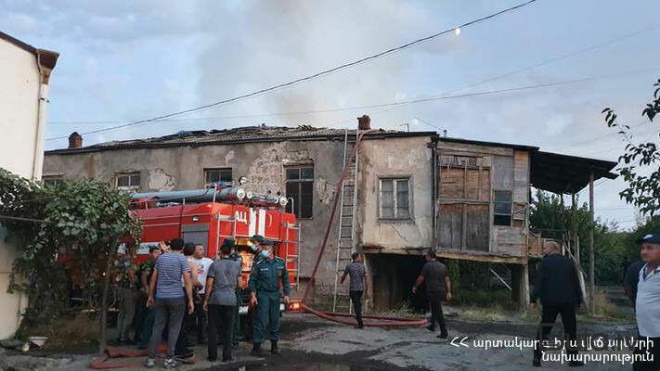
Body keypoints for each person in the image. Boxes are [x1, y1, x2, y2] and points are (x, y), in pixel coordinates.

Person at [530, 241, 583, 368]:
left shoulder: (544, 263)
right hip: (568, 301)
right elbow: (576, 282)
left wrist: (533, 300)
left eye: (545, 248)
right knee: (570, 330)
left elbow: (539, 283)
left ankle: (537, 358)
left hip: (550, 301)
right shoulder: (569, 262)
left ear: (552, 248)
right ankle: (573, 359)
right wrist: (579, 301)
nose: (543, 250)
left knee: (545, 329)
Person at [145, 238, 194, 369]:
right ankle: (169, 359)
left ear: (170, 246)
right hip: (177, 297)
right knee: (174, 328)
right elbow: (187, 280)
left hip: (160, 296)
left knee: (158, 327)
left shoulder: (161, 258)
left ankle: (151, 358)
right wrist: (190, 300)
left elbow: (153, 278)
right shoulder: (182, 259)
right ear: (182, 248)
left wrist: (150, 295)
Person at [249, 240, 290, 356]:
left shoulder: (280, 263)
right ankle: (256, 347)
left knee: (275, 320)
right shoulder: (259, 264)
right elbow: (252, 281)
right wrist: (253, 295)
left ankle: (274, 346)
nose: (263, 251)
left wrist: (286, 294)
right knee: (261, 320)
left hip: (275, 295)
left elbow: (285, 280)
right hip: (263, 295)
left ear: (271, 249)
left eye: (265, 248)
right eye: (262, 248)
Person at [204, 238, 242, 362]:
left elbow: (209, 284)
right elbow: (240, 284)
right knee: (228, 329)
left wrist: (206, 300)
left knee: (213, 329)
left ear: (220, 252)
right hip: (231, 299)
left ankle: (212, 356)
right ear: (230, 252)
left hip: (215, 299)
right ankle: (227, 356)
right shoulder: (237, 265)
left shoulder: (214, 264)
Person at [632, 233, 660, 371]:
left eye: (649, 248)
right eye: (642, 248)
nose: (644, 251)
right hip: (644, 332)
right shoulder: (643, 269)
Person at [412, 250, 451, 339]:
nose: (425, 258)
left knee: (438, 311)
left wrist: (415, 286)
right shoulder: (443, 266)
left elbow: (421, 278)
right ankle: (432, 326)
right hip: (441, 291)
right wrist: (448, 292)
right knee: (434, 307)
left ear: (429, 256)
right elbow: (447, 280)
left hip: (433, 291)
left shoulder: (427, 266)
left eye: (426, 256)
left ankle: (444, 332)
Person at [175, 242, 202, 357]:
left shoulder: (177, 260)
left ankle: (173, 343)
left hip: (174, 291)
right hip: (186, 292)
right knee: (186, 321)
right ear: (193, 252)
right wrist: (200, 286)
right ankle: (182, 347)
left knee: (175, 320)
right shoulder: (192, 264)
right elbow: (194, 281)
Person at [136, 245, 162, 349]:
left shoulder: (157, 263)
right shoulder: (149, 263)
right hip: (148, 293)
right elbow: (144, 277)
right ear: (150, 254)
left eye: (158, 252)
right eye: (155, 252)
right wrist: (148, 291)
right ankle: (143, 340)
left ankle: (143, 338)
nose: (157, 254)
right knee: (148, 317)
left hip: (153, 292)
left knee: (148, 316)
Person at [115, 246, 137, 345]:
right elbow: (131, 274)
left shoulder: (121, 260)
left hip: (120, 288)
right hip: (128, 289)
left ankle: (119, 336)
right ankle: (124, 337)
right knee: (129, 314)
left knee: (122, 314)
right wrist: (135, 288)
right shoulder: (129, 260)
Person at [192, 243, 213, 344]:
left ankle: (202, 337)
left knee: (203, 317)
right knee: (190, 316)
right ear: (194, 251)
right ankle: (191, 338)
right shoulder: (190, 261)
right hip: (191, 293)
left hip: (203, 293)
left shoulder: (208, 262)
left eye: (203, 249)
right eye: (200, 249)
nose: (202, 251)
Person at [340, 252, 368, 329]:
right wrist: (367, 288)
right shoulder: (362, 266)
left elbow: (344, 275)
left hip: (353, 289)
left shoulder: (349, 266)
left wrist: (341, 281)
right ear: (357, 257)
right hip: (360, 289)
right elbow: (365, 278)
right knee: (358, 303)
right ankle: (358, 316)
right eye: (360, 256)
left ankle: (360, 324)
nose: (360, 258)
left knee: (356, 306)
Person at [228, 238, 244, 346]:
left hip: (233, 289)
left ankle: (234, 338)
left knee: (234, 316)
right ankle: (232, 338)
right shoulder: (236, 258)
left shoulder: (236, 259)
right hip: (231, 289)